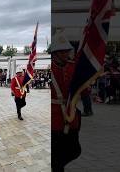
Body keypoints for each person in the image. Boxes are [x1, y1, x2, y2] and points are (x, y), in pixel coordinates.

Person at [49, 33, 81, 172]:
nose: (66, 54)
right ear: (54, 53)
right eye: (62, 51)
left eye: (67, 50)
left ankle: (55, 165)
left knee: (75, 150)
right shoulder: (49, 68)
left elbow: (82, 89)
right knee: (57, 152)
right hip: (54, 117)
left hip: (71, 114)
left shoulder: (73, 66)